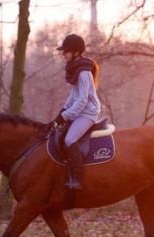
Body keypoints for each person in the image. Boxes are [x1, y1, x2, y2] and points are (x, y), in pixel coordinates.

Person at [52, 34, 101, 190]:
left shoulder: (83, 71)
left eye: (65, 51)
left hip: (89, 113)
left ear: (75, 51)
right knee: (59, 135)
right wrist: (62, 112)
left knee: (70, 139)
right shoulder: (76, 67)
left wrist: (65, 116)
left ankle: (76, 179)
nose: (63, 53)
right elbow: (74, 95)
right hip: (80, 112)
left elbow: (83, 100)